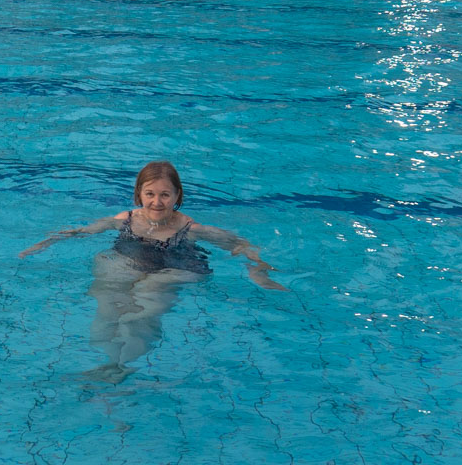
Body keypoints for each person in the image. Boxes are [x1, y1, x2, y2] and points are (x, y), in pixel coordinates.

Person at [19, 160, 285, 380]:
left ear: (177, 196)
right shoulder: (126, 219)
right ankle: (112, 364)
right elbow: (81, 231)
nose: (157, 202)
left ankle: (123, 365)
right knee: (107, 291)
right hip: (133, 265)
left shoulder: (190, 228)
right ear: (139, 194)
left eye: (165, 195)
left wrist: (259, 269)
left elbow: (240, 244)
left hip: (177, 269)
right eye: (150, 194)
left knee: (143, 301)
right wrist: (46, 242)